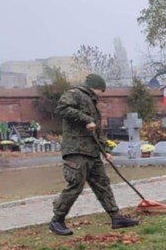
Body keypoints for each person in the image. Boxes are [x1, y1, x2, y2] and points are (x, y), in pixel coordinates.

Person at [49, 74, 139, 236]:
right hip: (76, 150)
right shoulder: (75, 94)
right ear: (95, 87)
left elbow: (97, 131)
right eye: (101, 91)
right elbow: (62, 108)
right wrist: (85, 119)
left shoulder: (91, 102)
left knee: (102, 184)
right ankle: (57, 220)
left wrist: (106, 151)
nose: (102, 95)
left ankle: (116, 217)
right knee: (76, 184)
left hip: (92, 152)